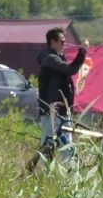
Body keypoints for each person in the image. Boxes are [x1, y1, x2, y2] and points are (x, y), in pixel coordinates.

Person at [35, 27, 87, 159]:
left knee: (65, 142)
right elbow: (71, 70)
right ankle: (45, 171)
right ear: (53, 42)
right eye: (62, 42)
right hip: (52, 111)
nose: (65, 45)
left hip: (61, 111)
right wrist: (82, 53)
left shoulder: (56, 57)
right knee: (49, 143)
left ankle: (70, 170)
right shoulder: (51, 59)